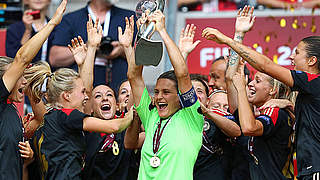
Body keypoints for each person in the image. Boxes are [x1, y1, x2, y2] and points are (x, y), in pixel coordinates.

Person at [203, 8, 320, 179]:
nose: (291, 58)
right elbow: (230, 78)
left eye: (297, 53)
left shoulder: (313, 82)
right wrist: (239, 34)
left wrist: (225, 39)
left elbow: (265, 66)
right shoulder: (304, 96)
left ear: (312, 60)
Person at [26, 15, 134, 180]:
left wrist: (87, 55)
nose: (86, 96)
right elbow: (113, 127)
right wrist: (134, 112)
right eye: (83, 92)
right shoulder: (66, 115)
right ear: (66, 95)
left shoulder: (49, 117)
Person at [119, 12, 203, 179]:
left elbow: (183, 75)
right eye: (156, 92)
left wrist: (162, 31)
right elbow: (134, 76)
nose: (158, 97)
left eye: (166, 92)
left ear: (180, 96)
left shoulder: (192, 116)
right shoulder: (151, 115)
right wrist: (145, 33)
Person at [0, 0, 67, 179]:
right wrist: (52, 22)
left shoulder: (12, 111)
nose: (24, 81)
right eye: (19, 76)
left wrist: (28, 155)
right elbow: (21, 58)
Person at [49, 0, 136, 90]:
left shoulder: (129, 18)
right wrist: (88, 47)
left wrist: (123, 50)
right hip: (80, 94)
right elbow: (54, 58)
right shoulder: (71, 20)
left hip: (122, 92)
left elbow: (143, 58)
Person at [82, 84, 139, 180]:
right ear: (90, 108)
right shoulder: (86, 130)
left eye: (109, 95)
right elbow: (87, 85)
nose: (104, 98)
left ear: (117, 106)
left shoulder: (128, 133)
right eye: (98, 96)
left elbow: (133, 108)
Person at [6, 0, 53, 65]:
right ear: (25, 1)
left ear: (49, 1)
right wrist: (28, 30)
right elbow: (13, 59)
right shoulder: (14, 29)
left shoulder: (56, 27)